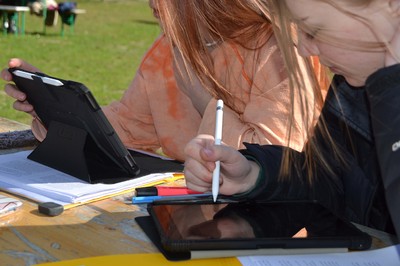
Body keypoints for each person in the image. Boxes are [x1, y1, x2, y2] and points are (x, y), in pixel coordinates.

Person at [2, 0, 326, 163]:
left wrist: (200, 95)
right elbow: (124, 131)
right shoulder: (168, 48)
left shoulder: (278, 48)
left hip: (271, 239)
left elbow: (277, 165)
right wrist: (56, 108)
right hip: (191, 222)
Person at [183, 0, 400, 237]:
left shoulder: (378, 87)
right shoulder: (354, 89)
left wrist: (390, 87)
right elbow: (328, 181)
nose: (305, 49)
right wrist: (254, 175)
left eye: (314, 30)